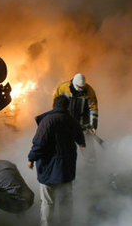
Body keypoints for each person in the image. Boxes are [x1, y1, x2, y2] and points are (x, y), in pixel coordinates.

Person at [28, 95, 86, 226]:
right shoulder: (72, 121)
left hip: (48, 170)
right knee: (66, 201)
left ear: (53, 106)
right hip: (67, 170)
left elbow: (39, 143)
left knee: (48, 202)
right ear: (67, 107)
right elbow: (82, 143)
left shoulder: (47, 121)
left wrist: (31, 159)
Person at [54, 73, 98, 164]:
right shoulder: (62, 88)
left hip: (83, 125)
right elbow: (56, 104)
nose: (81, 89)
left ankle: (92, 168)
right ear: (74, 83)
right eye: (79, 87)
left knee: (88, 149)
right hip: (66, 124)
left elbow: (93, 108)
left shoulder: (89, 91)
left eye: (83, 87)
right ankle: (70, 170)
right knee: (65, 148)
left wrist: (93, 125)